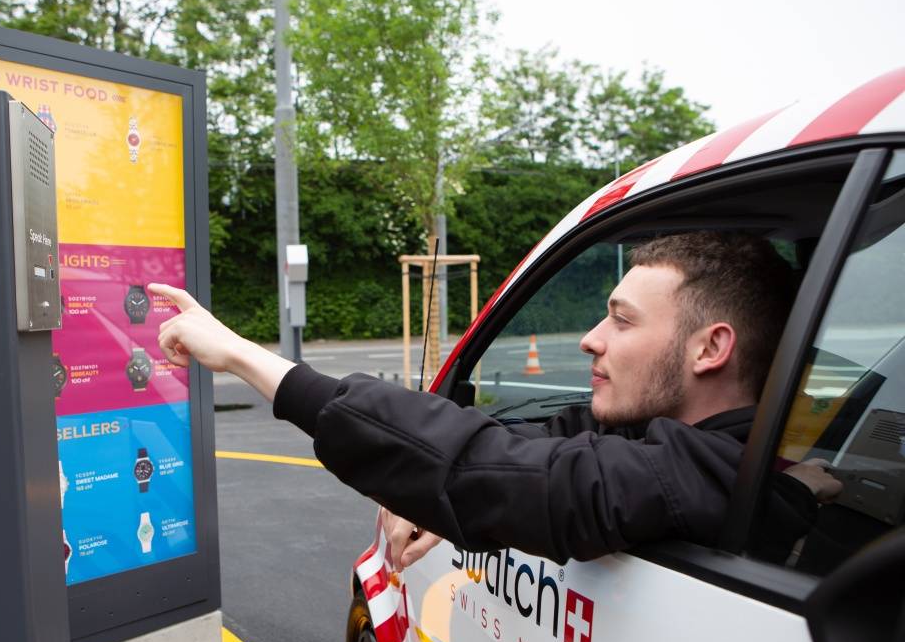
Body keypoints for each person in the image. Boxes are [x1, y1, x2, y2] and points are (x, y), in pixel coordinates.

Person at [148, 231, 841, 567]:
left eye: (622, 320)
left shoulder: (719, 474)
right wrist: (422, 486)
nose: (591, 340)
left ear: (709, 349)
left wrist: (242, 357)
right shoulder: (693, 444)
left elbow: (509, 473)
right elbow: (530, 442)